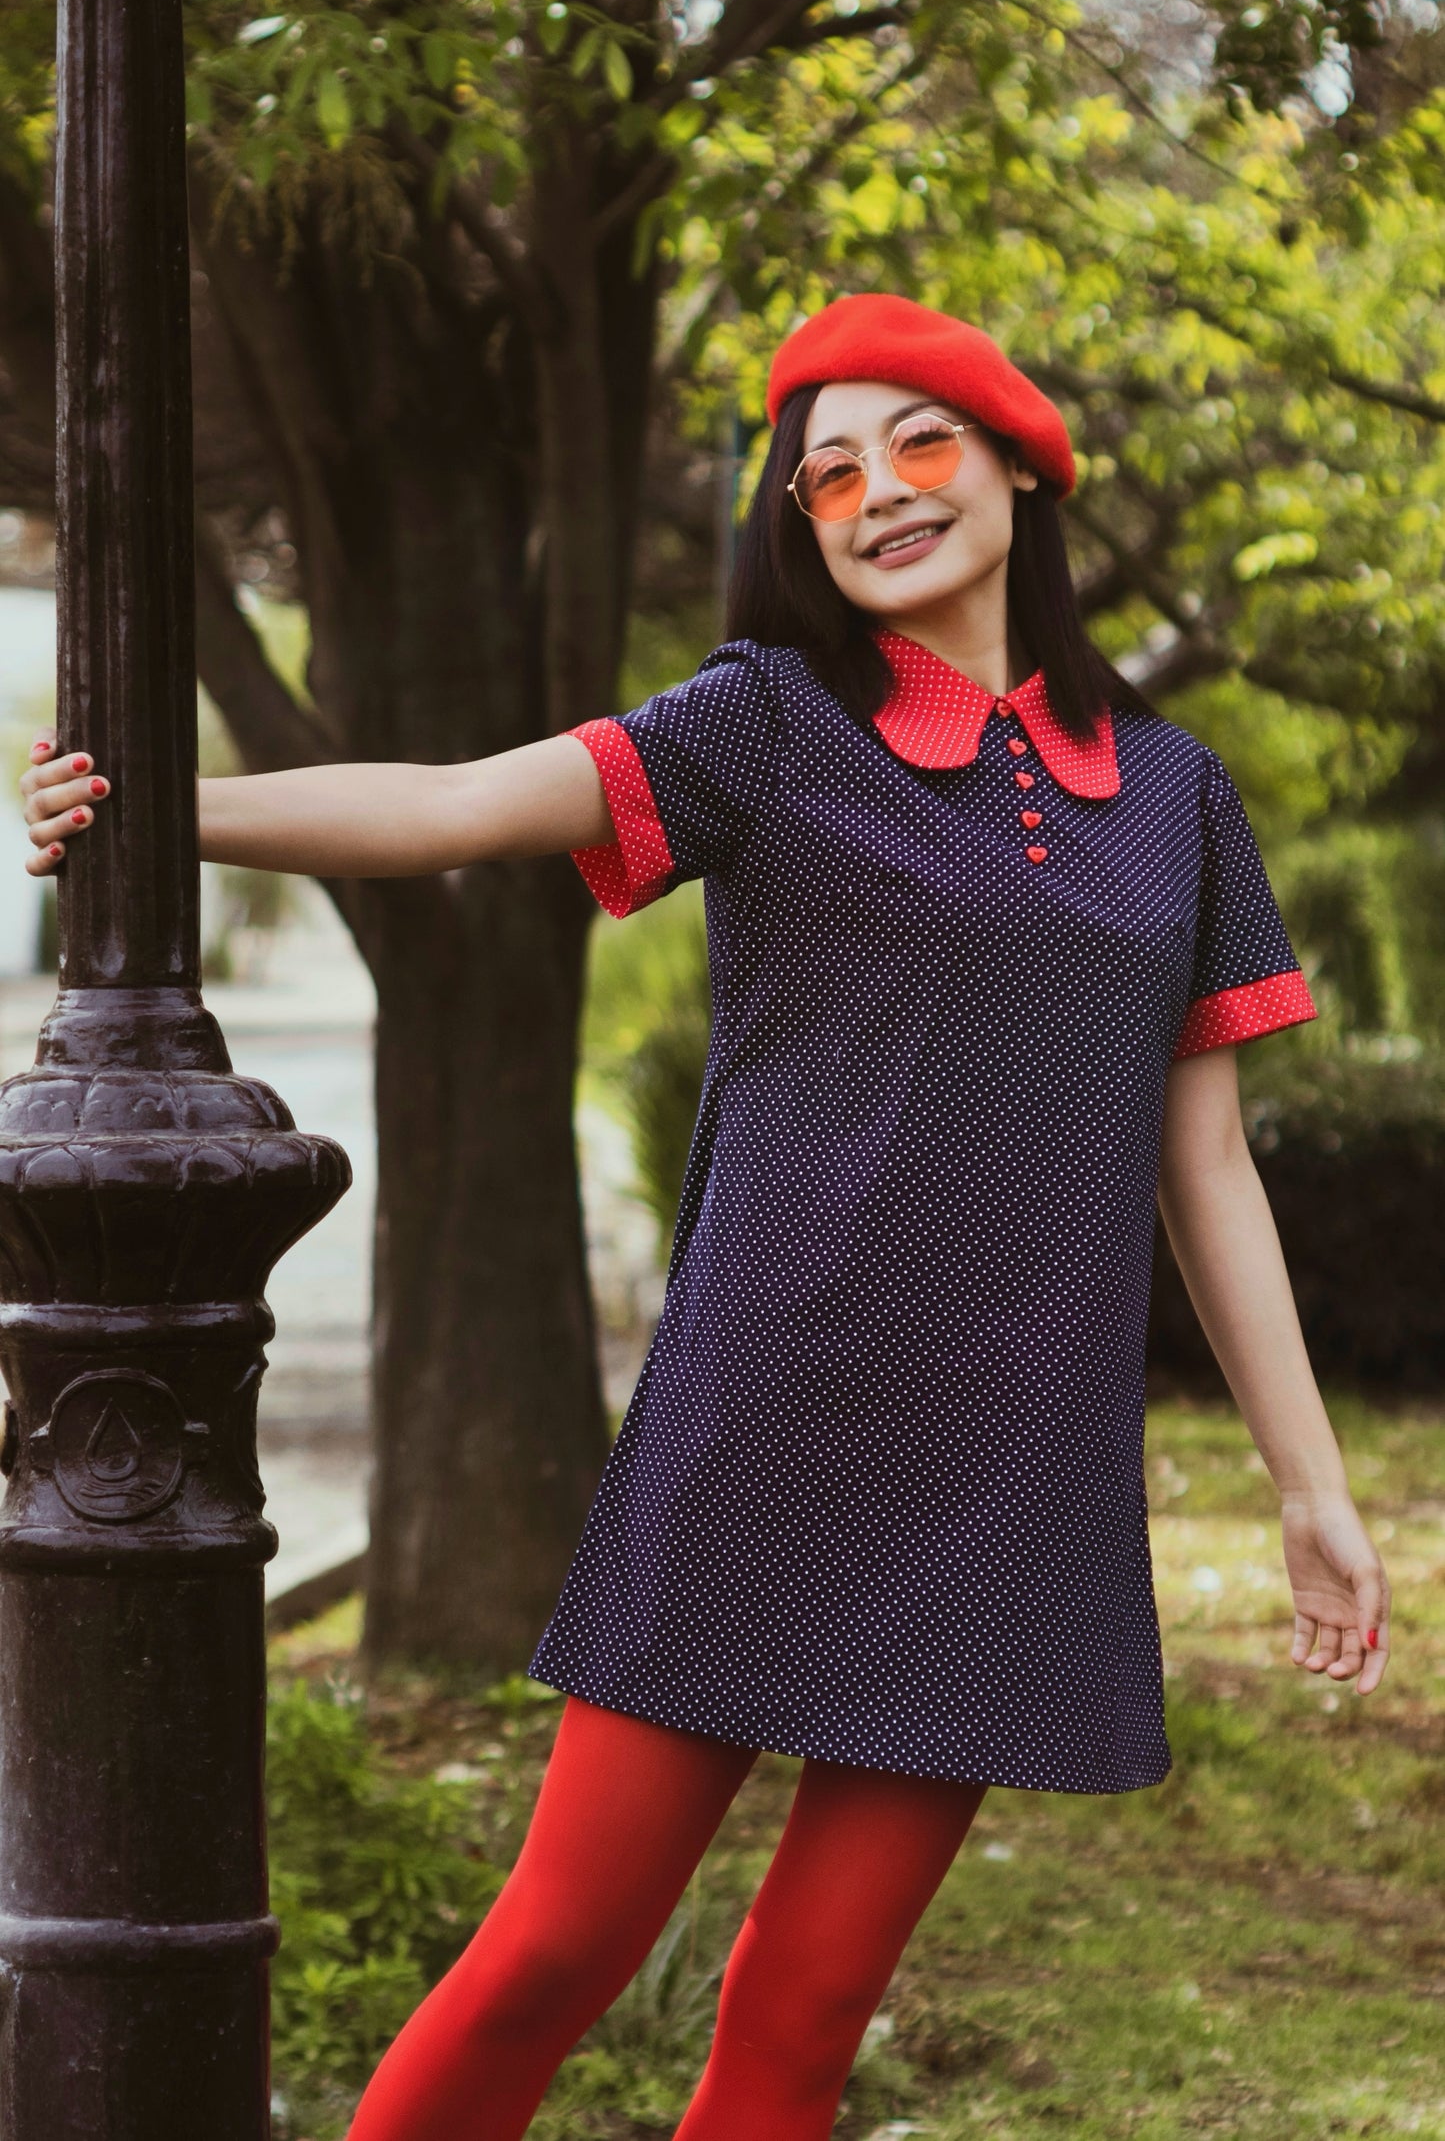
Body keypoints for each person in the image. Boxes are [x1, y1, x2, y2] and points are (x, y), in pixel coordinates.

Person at [20, 294, 1391, 2141]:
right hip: (772, 1418)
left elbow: (1203, 1165)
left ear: (1017, 466)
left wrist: (1309, 1490)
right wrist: (165, 813)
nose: (877, 494)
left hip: (1015, 1471)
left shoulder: (1173, 798)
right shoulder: (765, 726)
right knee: (553, 1951)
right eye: (828, 476)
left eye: (919, 443)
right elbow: (452, 806)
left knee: (808, 2004)